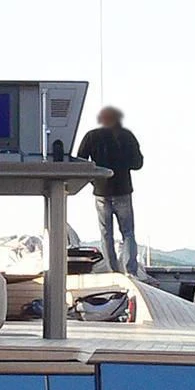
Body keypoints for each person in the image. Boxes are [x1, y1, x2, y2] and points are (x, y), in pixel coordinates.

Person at [73, 106, 144, 276]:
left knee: (106, 234)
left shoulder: (92, 136)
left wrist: (93, 179)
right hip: (123, 189)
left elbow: (80, 161)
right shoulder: (126, 136)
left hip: (101, 190)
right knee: (127, 232)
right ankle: (130, 270)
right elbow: (138, 164)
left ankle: (112, 271)